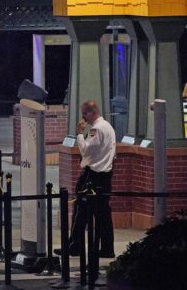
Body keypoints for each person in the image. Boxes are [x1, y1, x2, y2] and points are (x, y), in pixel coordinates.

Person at [59, 100, 116, 258]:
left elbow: (85, 150)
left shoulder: (96, 129)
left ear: (93, 112)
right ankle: (106, 248)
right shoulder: (108, 127)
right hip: (105, 175)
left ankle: (75, 246)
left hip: (92, 176)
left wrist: (79, 133)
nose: (83, 117)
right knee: (103, 214)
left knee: (80, 212)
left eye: (85, 113)